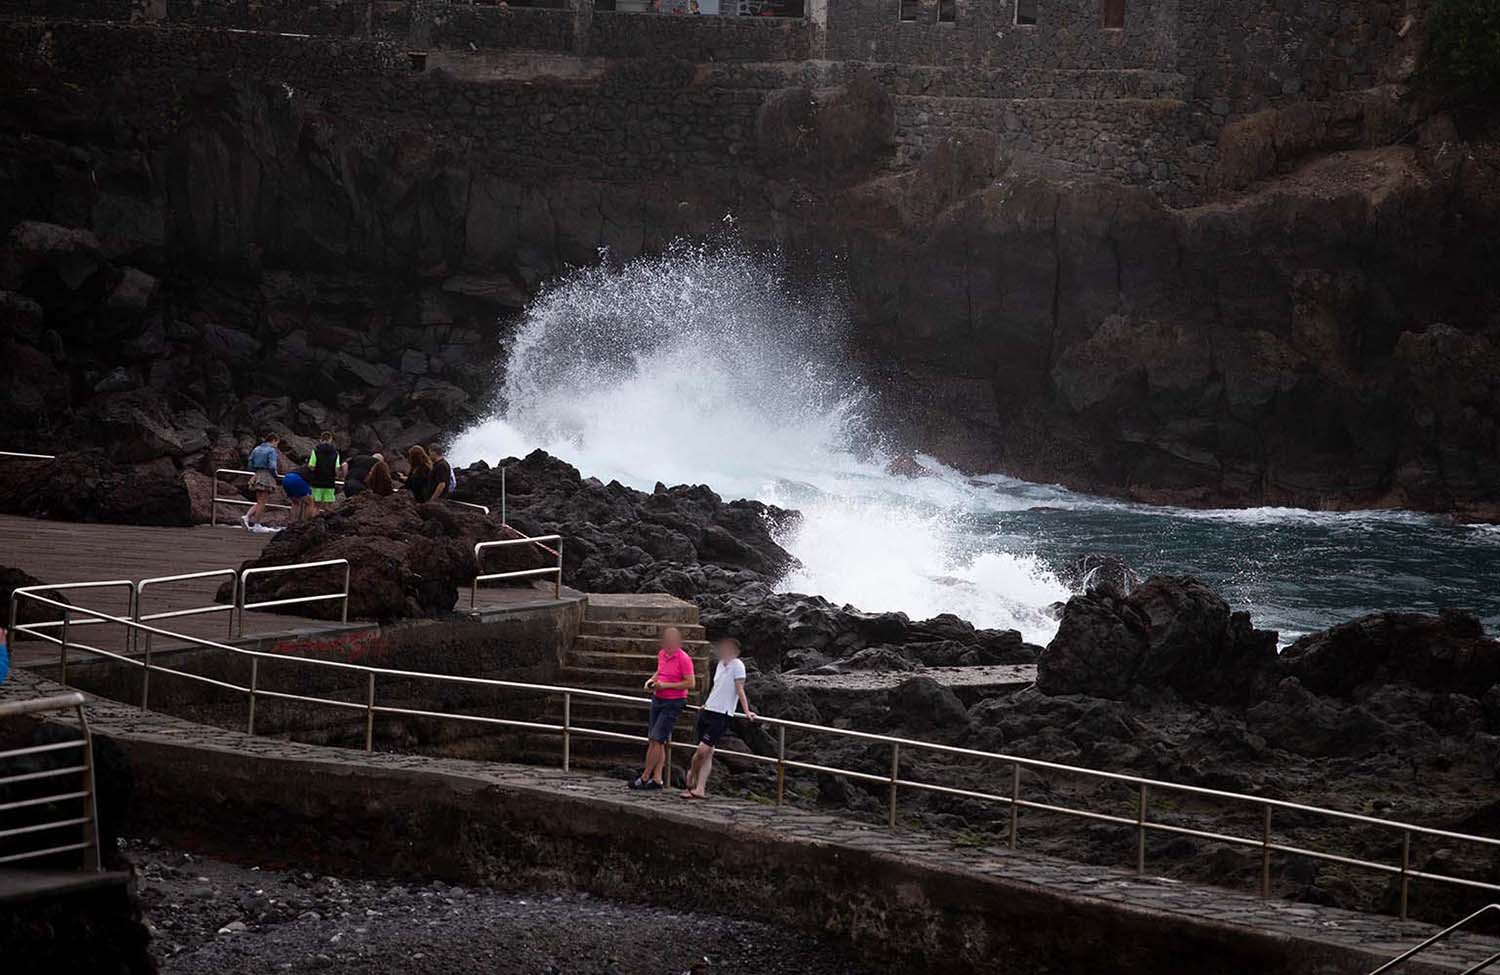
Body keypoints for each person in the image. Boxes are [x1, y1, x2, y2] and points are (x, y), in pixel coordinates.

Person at [682, 637, 755, 800]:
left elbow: (740, 689)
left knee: (703, 749)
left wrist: (747, 711)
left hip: (722, 714)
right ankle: (700, 788)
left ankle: (690, 776)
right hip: (709, 710)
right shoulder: (721, 664)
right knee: (708, 752)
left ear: (736, 652)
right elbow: (717, 686)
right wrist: (706, 703)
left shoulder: (738, 666)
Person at [630, 627, 696, 791]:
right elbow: (661, 671)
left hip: (673, 702)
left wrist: (665, 685)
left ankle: (645, 776)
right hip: (658, 698)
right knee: (657, 740)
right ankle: (657, 778)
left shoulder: (684, 659)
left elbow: (690, 682)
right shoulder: (662, 654)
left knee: (656, 739)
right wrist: (651, 681)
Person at [243, 433, 280, 529]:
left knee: (259, 500)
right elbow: (272, 466)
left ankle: (247, 517)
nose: (276, 446)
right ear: (273, 440)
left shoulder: (256, 449)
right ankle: (256, 524)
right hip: (266, 475)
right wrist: (275, 475)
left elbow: (250, 462)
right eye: (277, 443)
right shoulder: (271, 451)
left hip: (257, 474)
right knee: (263, 502)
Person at [306, 431, 342, 510]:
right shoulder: (336, 453)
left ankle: (312, 521)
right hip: (329, 482)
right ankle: (328, 521)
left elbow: (311, 466)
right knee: (328, 506)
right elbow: (337, 469)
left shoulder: (315, 452)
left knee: (315, 506)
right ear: (331, 440)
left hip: (316, 482)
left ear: (320, 440)